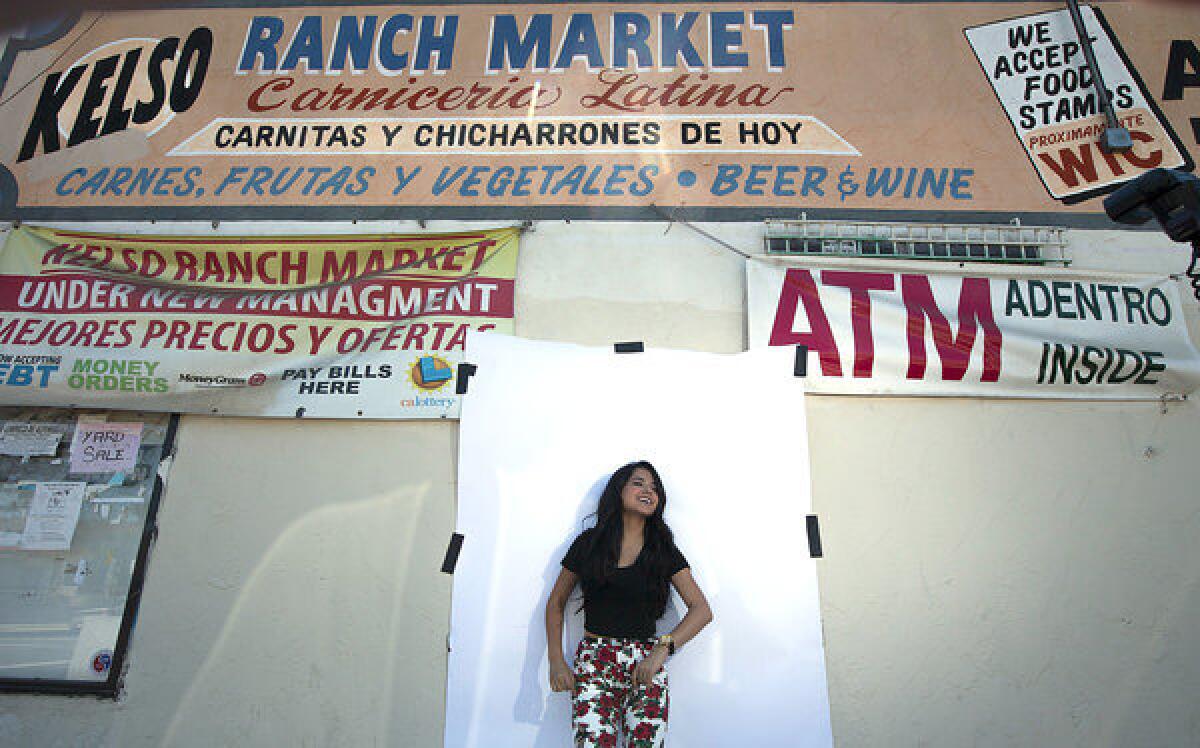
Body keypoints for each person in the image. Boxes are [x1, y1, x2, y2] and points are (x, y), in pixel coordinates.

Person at [545, 460, 713, 748]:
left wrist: (661, 650)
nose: (648, 490)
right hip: (595, 664)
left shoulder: (662, 549)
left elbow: (701, 609)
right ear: (618, 491)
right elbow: (556, 602)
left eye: (654, 487)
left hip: (645, 664)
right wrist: (556, 661)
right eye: (639, 483)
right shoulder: (589, 543)